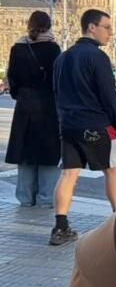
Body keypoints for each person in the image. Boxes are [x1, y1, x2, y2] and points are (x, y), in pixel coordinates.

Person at [50, 9, 116, 246]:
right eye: (107, 27)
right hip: (97, 124)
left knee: (68, 174)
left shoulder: (62, 58)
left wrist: (63, 120)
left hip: (69, 125)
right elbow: (108, 95)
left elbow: (56, 93)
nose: (110, 33)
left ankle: (60, 227)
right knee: (112, 171)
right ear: (92, 27)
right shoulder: (98, 58)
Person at [5, 11, 61, 207]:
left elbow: (11, 80)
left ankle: (26, 199)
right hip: (48, 108)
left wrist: (21, 95)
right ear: (49, 26)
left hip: (25, 107)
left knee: (25, 154)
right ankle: (46, 199)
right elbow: (58, 80)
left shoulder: (18, 48)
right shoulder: (53, 48)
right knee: (48, 154)